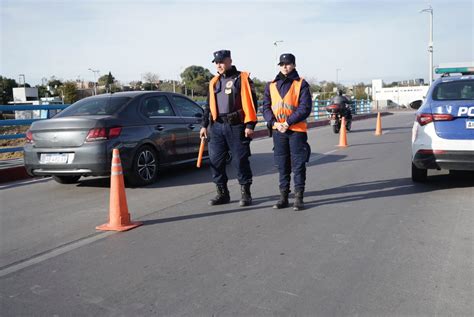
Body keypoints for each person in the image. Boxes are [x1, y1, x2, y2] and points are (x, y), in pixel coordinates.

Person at [200, 50, 258, 207]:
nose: (219, 65)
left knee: (240, 160)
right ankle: (222, 194)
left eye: (222, 61)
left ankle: (246, 194)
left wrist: (250, 125)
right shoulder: (214, 82)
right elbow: (208, 106)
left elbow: (253, 102)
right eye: (216, 62)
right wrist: (204, 125)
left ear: (229, 61)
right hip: (217, 126)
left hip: (237, 126)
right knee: (215, 161)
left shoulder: (242, 78)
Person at [262, 53, 312, 211]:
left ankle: (299, 197)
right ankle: (283, 196)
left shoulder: (301, 84)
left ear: (294, 65)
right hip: (278, 131)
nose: (285, 66)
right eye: (282, 64)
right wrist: (274, 122)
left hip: (296, 130)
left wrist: (287, 122)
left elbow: (305, 108)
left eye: (288, 63)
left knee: (298, 164)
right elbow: (265, 107)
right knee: (282, 164)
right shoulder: (271, 85)